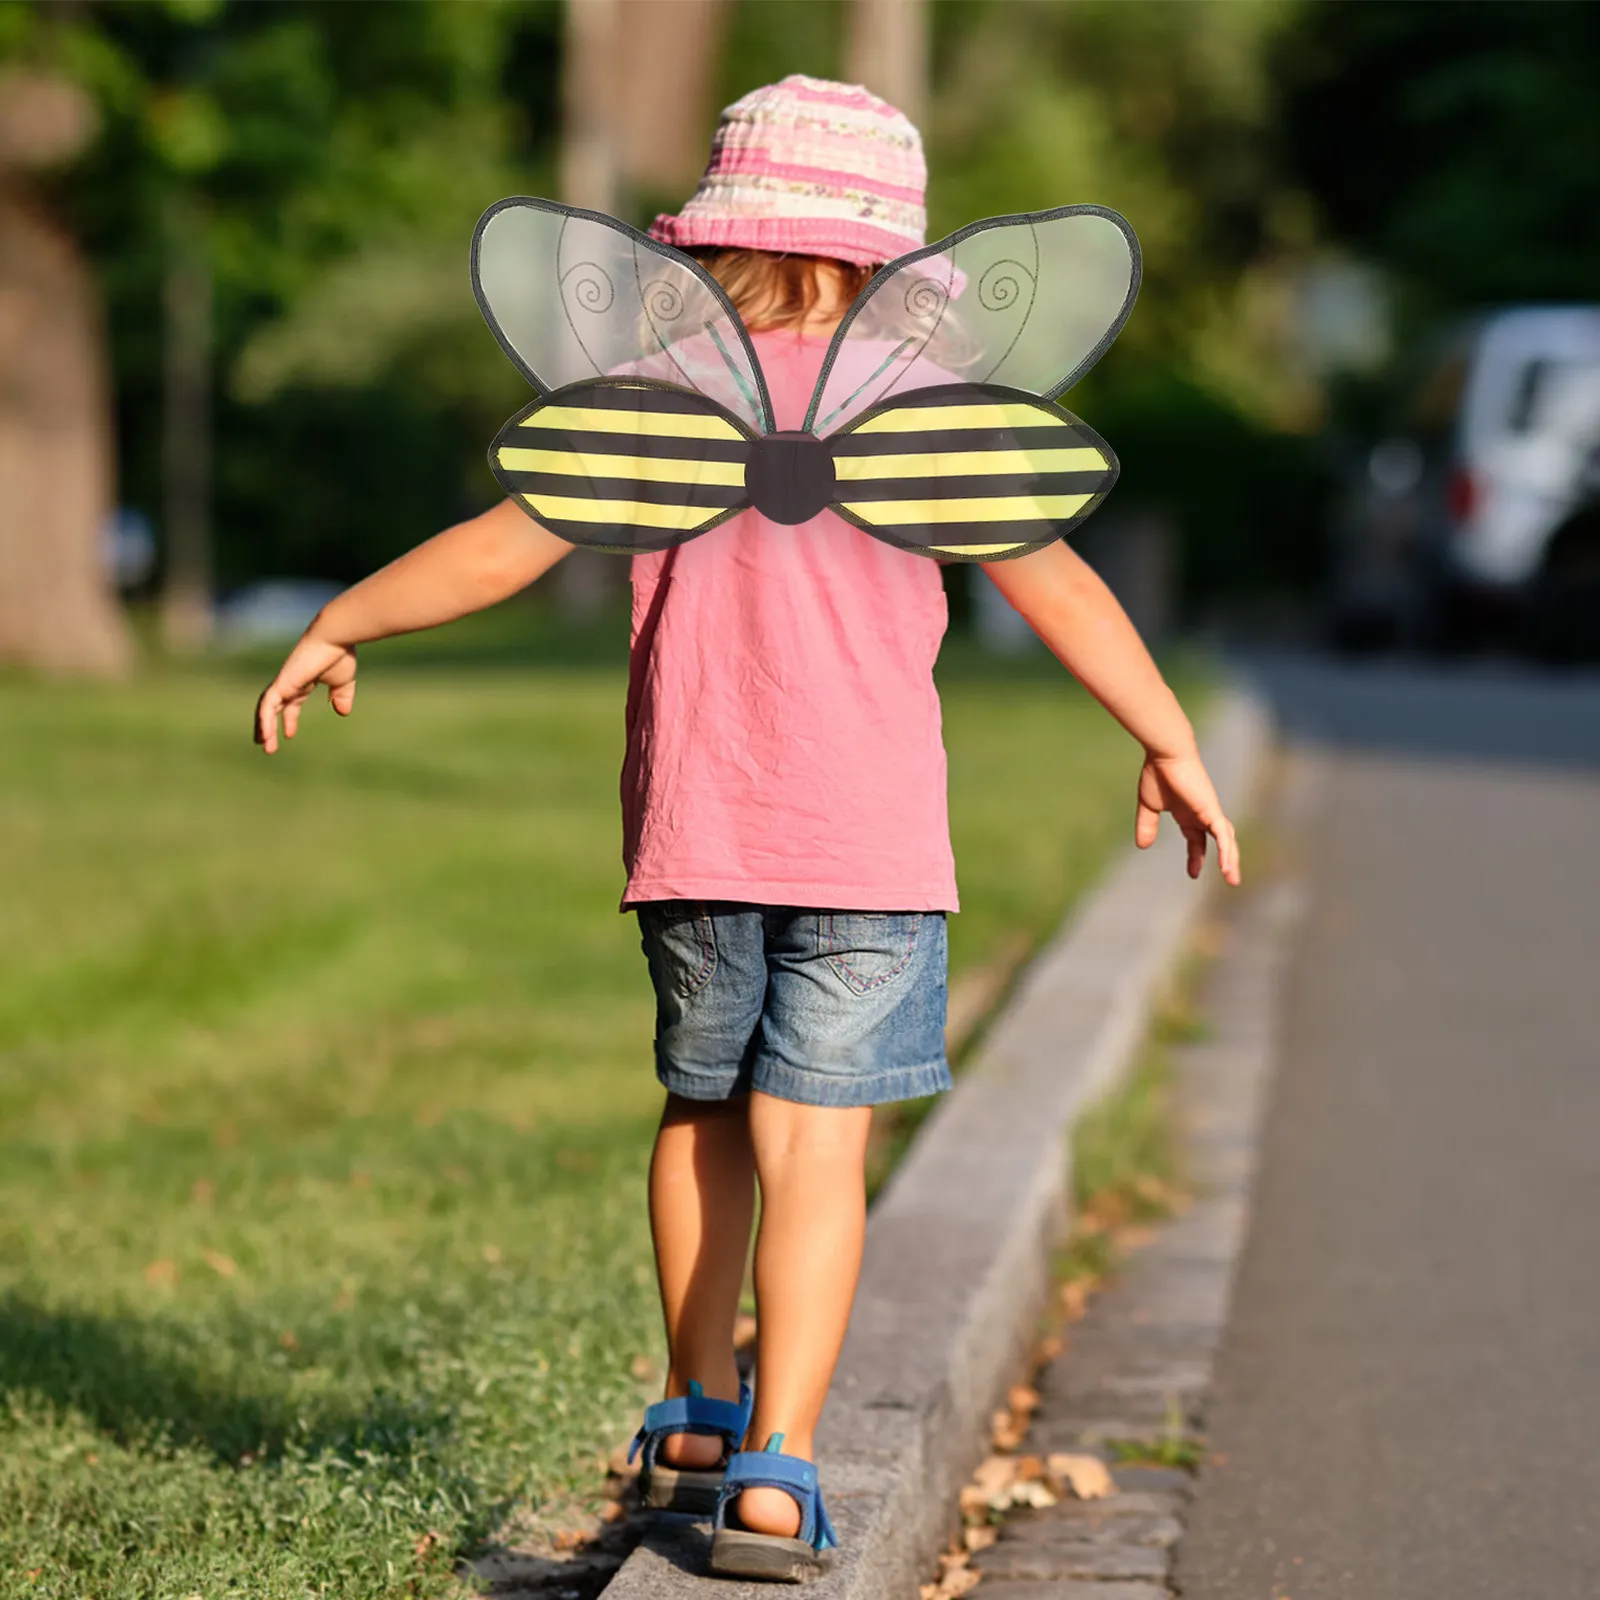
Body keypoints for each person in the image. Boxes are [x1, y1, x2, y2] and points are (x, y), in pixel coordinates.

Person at [254, 74, 1240, 1584]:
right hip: (872, 850)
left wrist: (343, 619)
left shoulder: (662, 397)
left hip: (701, 836)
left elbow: (503, 545)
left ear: (720, 244)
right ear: (891, 258)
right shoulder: (925, 410)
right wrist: (1168, 736)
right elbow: (1061, 590)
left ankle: (695, 1418)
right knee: (817, 1153)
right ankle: (777, 1476)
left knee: (701, 1115)